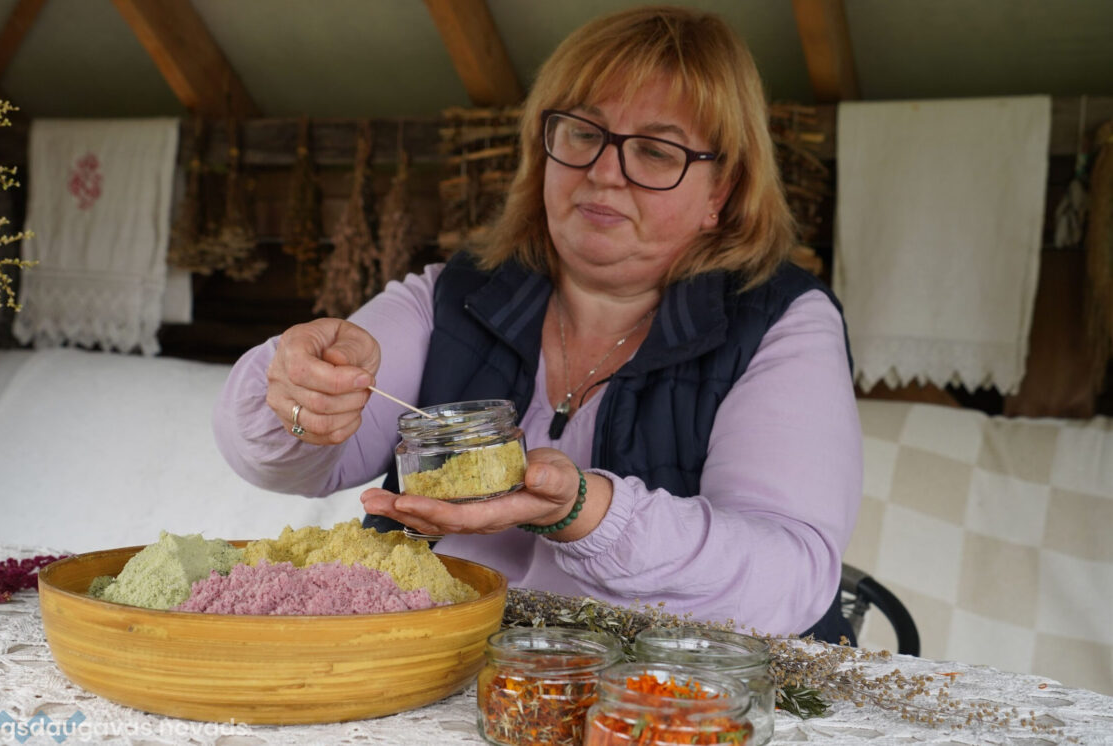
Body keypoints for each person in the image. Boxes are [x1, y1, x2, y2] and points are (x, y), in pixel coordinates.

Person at [213, 6, 861, 642]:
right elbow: (286, 465)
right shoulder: (455, 293)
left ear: (721, 192)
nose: (603, 173)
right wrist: (299, 387)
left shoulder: (783, 322)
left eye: (655, 151)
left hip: (662, 693)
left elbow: (789, 579)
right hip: (446, 672)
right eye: (583, 132)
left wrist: (588, 512)